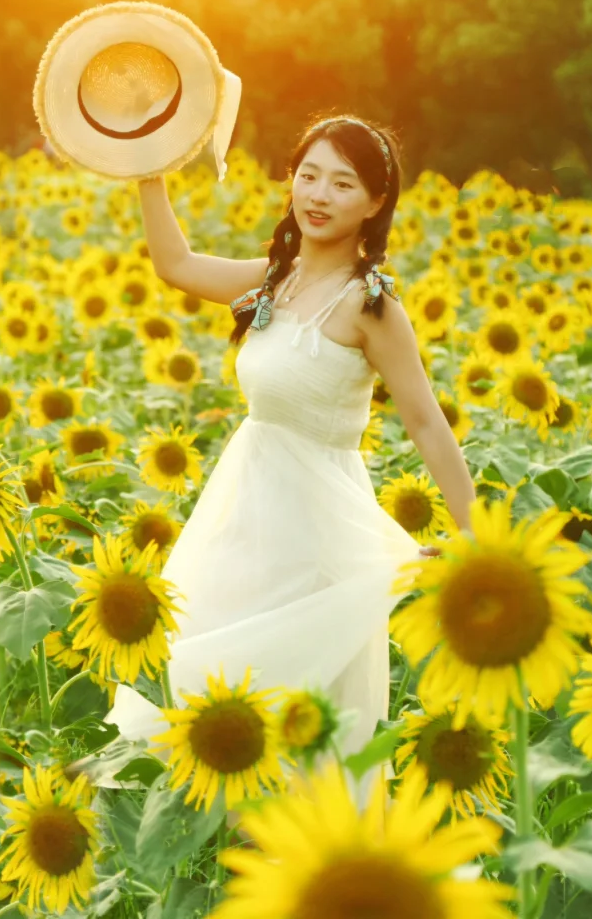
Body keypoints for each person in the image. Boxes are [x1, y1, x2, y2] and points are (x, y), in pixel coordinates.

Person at [102, 113, 477, 808]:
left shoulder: (372, 306)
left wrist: (477, 537)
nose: (319, 194)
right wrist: (148, 169)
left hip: (318, 539)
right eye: (308, 175)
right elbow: (176, 265)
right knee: (211, 703)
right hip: (244, 525)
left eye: (342, 182)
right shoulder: (275, 280)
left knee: (304, 737)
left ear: (373, 204)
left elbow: (425, 420)